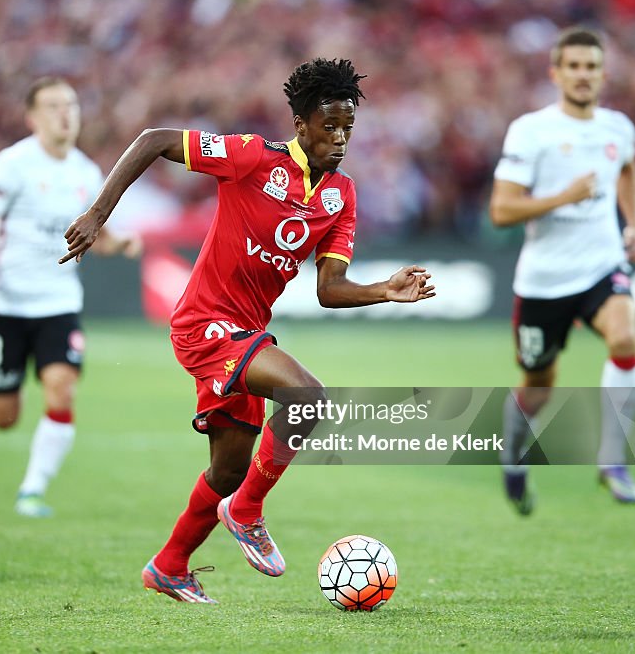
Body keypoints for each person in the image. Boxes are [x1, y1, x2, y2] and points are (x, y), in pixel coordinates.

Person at [62, 58, 435, 603]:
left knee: (231, 466)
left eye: (347, 129)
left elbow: (329, 289)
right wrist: (99, 215)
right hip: (205, 324)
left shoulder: (341, 196)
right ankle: (248, 513)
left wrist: (384, 289)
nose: (339, 139)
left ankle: (169, 565)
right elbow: (154, 139)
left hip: (247, 333)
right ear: (301, 125)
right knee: (307, 397)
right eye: (328, 127)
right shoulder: (252, 159)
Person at [0, 77, 139, 518]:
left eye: (71, 105)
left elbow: (97, 234)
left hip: (59, 303)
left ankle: (32, 490)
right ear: (33, 117)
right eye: (54, 106)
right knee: (4, 417)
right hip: (7, 304)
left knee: (62, 389)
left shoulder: (86, 172)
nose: (65, 114)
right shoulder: (12, 164)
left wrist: (120, 244)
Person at [490, 27, 635, 514]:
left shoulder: (618, 128)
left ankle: (612, 463)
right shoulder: (531, 130)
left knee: (625, 340)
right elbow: (501, 210)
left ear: (603, 74)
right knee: (538, 385)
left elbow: (627, 169)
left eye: (592, 67)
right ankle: (513, 455)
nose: (583, 75)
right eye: (574, 66)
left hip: (602, 264)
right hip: (544, 280)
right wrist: (564, 196)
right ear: (556, 73)